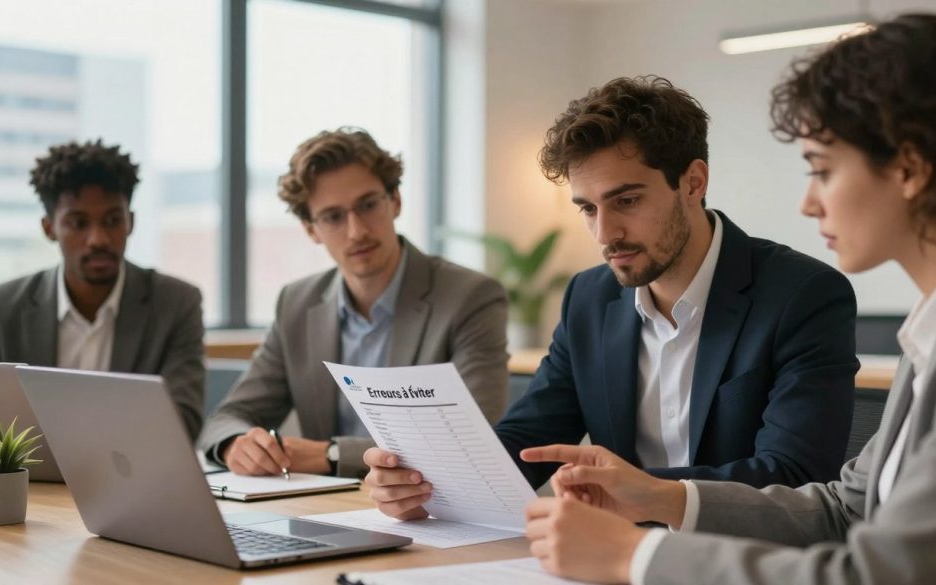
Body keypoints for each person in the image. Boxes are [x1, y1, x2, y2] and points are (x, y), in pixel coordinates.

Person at [521, 13, 936, 585]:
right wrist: (659, 495)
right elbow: (842, 509)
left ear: (909, 167)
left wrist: (632, 557)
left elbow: (887, 574)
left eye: (822, 170)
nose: (809, 204)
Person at [364, 76, 860, 520]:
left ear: (693, 182)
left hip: (737, 560)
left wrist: (639, 492)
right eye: (587, 208)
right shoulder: (588, 296)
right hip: (609, 554)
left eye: (627, 201)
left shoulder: (803, 294)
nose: (606, 234)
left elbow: (795, 476)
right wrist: (423, 482)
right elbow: (525, 440)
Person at [199, 127, 509, 478]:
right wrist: (236, 444)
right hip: (324, 509)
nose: (357, 231)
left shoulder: (470, 297)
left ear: (395, 200)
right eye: (333, 217)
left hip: (431, 511)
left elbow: (473, 438)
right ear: (310, 229)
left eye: (368, 205)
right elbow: (227, 418)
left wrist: (332, 454)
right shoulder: (297, 304)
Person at [0, 140, 205, 441]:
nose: (98, 239)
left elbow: (183, 422)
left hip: (132, 483)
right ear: (49, 228)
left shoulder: (176, 303)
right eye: (78, 223)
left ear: (130, 221)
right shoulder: (5, 308)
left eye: (112, 220)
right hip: (31, 485)